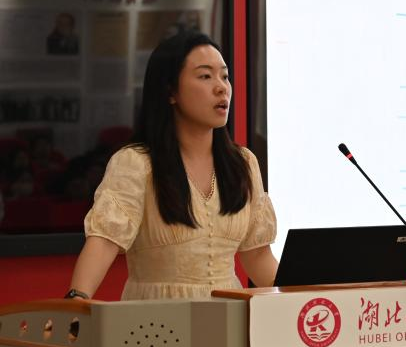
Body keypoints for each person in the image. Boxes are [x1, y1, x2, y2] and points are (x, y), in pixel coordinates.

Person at [66, 31, 278, 300]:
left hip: (229, 316)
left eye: (224, 76)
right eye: (205, 76)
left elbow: (258, 256)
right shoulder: (136, 162)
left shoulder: (243, 163)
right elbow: (104, 241)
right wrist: (77, 298)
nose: (221, 87)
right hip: (157, 318)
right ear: (170, 91)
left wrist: (303, 297)